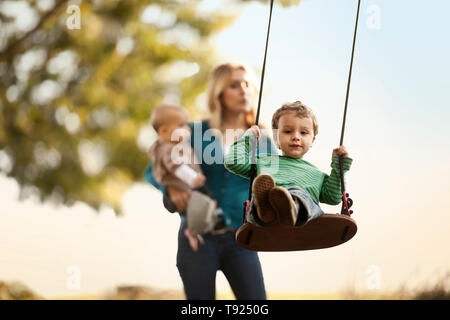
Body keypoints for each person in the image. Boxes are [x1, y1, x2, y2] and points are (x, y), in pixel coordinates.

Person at [144, 63, 276, 300]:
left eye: (247, 84)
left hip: (241, 238)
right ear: (219, 93)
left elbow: (279, 184)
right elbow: (152, 169)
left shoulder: (263, 141)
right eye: (234, 85)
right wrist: (170, 187)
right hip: (196, 237)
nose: (243, 90)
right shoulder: (192, 132)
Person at [224, 101, 353, 227]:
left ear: (312, 140)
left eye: (303, 132)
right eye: (288, 131)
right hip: (262, 219)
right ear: (275, 138)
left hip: (302, 215)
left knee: (298, 194)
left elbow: (333, 197)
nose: (296, 137)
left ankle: (290, 208)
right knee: (263, 194)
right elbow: (233, 162)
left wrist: (339, 166)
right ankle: (266, 210)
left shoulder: (317, 175)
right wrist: (248, 139)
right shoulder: (264, 162)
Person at [148, 103, 222, 252]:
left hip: (189, 186)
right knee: (202, 203)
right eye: (181, 125)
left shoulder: (177, 143)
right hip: (185, 185)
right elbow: (177, 168)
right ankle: (194, 230)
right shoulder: (167, 149)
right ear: (164, 131)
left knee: (204, 203)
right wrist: (193, 178)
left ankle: (203, 222)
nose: (187, 129)